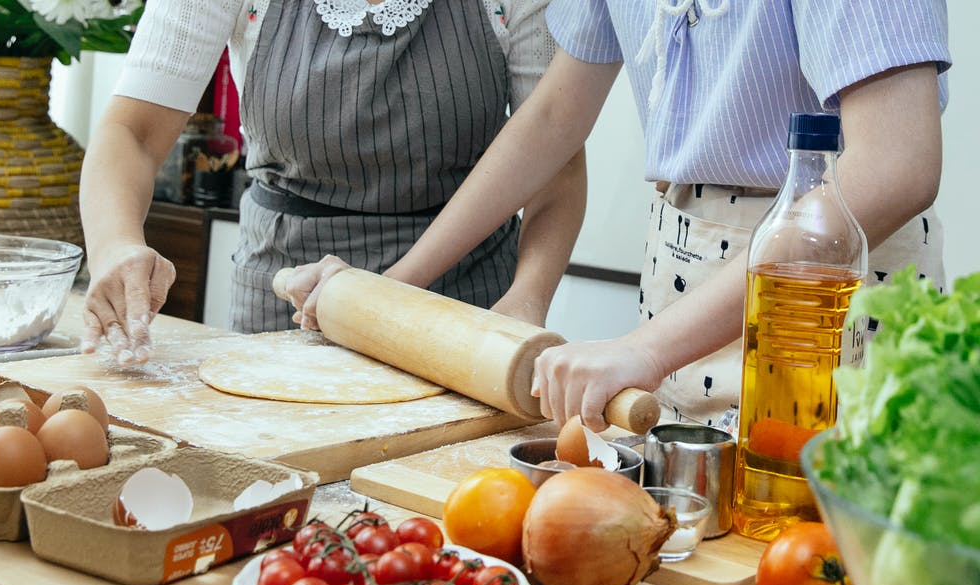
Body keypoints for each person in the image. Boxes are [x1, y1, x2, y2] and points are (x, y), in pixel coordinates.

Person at [283, 0, 951, 431]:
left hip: (823, 283)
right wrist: (393, 284)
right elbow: (552, 116)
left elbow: (896, 164)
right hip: (684, 273)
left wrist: (644, 350)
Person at [78, 0, 588, 365]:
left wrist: (526, 299)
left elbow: (556, 165)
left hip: (459, 310)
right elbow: (134, 133)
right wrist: (116, 243)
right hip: (283, 299)